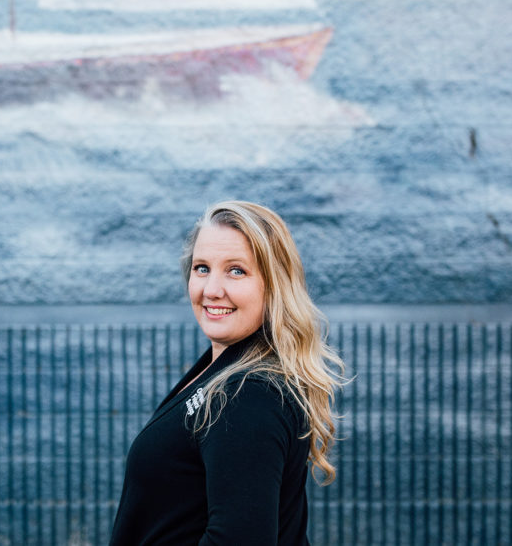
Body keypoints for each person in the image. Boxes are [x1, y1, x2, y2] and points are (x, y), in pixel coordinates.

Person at [110, 200, 346, 545]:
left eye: (236, 271)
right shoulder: (224, 370)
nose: (211, 289)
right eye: (202, 268)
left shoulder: (249, 394)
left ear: (273, 285)